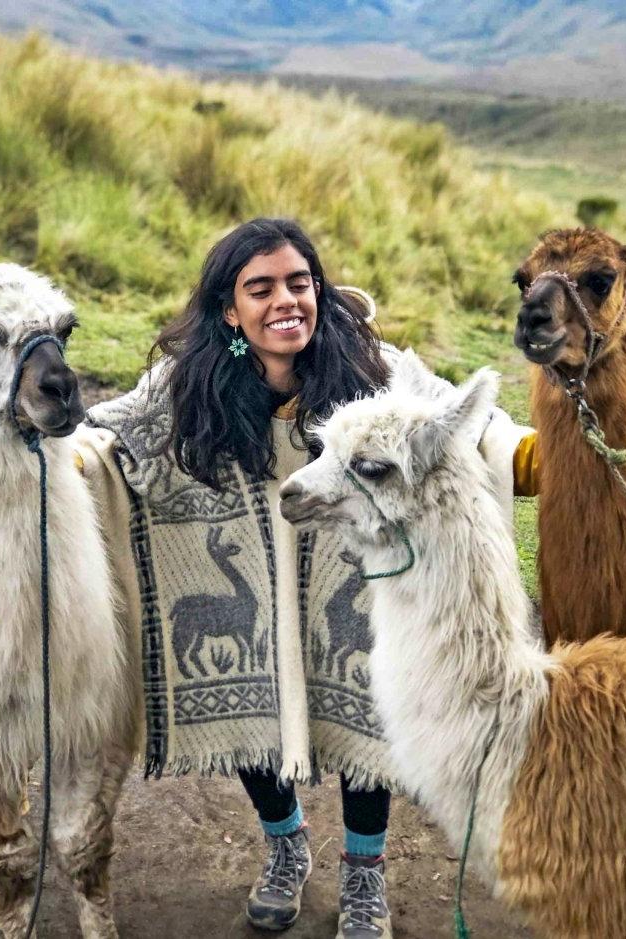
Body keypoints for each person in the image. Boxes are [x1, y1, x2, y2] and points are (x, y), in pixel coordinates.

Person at [74, 217, 529, 938]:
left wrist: (526, 455)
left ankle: (363, 872)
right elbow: (115, 430)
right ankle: (286, 843)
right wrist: (74, 459)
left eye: (299, 282)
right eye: (261, 288)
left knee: (358, 706)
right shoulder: (187, 385)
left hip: (347, 573)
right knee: (251, 698)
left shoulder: (373, 368)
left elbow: (464, 420)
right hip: (252, 565)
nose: (286, 300)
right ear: (230, 309)